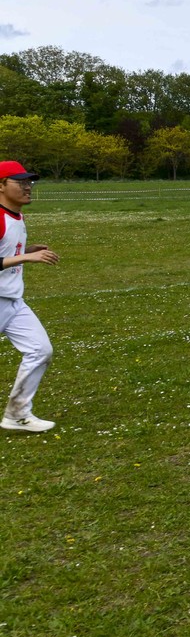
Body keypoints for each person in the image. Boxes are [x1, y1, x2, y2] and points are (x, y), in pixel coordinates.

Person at [1, 161, 58, 433]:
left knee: (40, 350)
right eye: (19, 182)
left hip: (12, 302)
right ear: (1, 186)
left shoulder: (16, 215)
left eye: (29, 182)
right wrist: (26, 256)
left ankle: (17, 414)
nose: (27, 187)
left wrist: (27, 247)